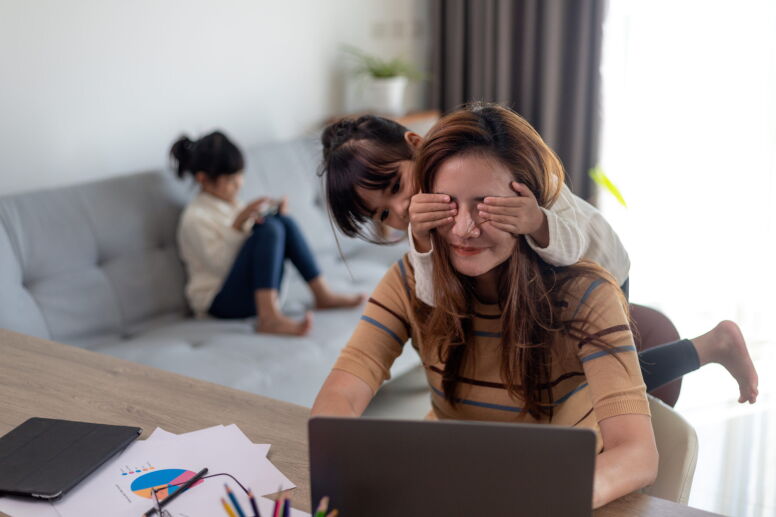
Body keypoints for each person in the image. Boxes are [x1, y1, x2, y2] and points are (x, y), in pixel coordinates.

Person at [313, 104, 660, 508]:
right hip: (451, 484)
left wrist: (547, 499)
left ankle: (701, 349)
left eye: (484, 204)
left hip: (559, 482)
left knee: (633, 377)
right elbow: (342, 392)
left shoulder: (585, 287)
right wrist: (340, 462)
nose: (463, 228)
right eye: (447, 205)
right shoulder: (410, 277)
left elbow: (637, 453)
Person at [318, 109, 758, 404]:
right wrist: (420, 238)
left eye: (396, 186)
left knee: (592, 380)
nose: (398, 209)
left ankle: (711, 346)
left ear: (416, 144)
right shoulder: (425, 222)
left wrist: (536, 221)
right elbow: (431, 298)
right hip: (532, 291)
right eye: (381, 215)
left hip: (595, 265)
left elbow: (576, 238)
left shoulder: (494, 164)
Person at [171, 130, 362, 336]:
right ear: (203, 179)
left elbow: (253, 250)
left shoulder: (232, 203)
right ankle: (269, 317)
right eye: (230, 180)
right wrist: (238, 224)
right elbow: (222, 266)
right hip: (219, 302)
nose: (239, 184)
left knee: (281, 222)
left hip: (247, 292)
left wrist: (264, 221)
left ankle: (322, 295)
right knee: (269, 229)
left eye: (240, 176)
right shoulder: (195, 217)